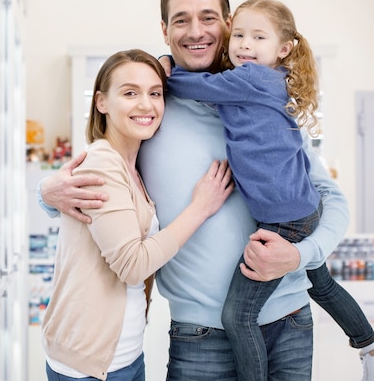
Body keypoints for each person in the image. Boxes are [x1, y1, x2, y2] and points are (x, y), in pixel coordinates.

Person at [38, 0, 351, 381]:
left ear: (228, 24)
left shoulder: (265, 104)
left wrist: (301, 255)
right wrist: (48, 193)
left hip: (288, 320)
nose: (196, 31)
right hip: (199, 335)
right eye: (181, 20)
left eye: (208, 17)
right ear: (165, 32)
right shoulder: (151, 108)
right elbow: (107, 176)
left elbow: (330, 197)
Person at [165, 0, 374, 381]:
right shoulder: (264, 82)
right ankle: (367, 341)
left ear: (283, 49)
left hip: (284, 221)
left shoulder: (248, 79)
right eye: (241, 36)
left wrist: (161, 69)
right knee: (322, 283)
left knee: (238, 316)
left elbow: (192, 86)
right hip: (298, 211)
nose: (245, 44)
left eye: (257, 37)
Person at [41, 49, 234, 381]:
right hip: (87, 366)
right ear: (101, 102)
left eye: (155, 93)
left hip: (125, 356)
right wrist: (200, 208)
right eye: (130, 93)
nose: (146, 105)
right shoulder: (103, 162)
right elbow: (132, 266)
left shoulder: (134, 164)